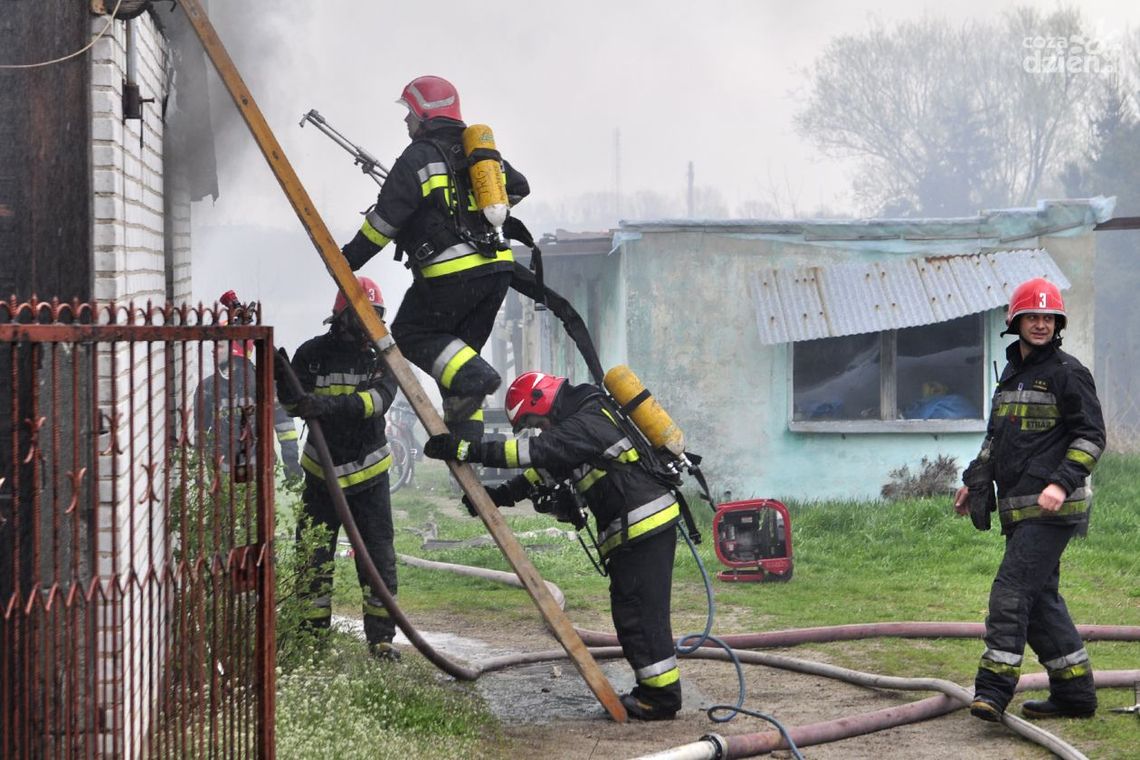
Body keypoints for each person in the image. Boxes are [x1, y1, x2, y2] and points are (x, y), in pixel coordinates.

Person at [422, 371, 684, 720]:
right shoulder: (579, 420)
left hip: (643, 526)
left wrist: (467, 449)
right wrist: (499, 495)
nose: (540, 429)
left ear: (540, 399)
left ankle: (660, 698)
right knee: (633, 613)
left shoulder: (586, 418)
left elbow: (538, 451)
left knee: (640, 614)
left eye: (535, 420)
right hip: (635, 528)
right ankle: (655, 692)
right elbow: (546, 468)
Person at [339, 74, 529, 442]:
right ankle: (467, 452)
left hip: (452, 276)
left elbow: (384, 222)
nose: (405, 120)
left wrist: (347, 259)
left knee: (412, 334)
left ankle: (481, 379)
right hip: (497, 273)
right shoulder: (479, 155)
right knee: (455, 366)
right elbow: (519, 187)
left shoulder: (418, 157)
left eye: (409, 112)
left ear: (424, 113)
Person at [954, 277, 1105, 722]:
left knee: (1011, 592)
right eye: (1032, 316)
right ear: (1014, 321)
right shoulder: (1012, 373)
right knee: (1040, 601)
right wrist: (974, 480)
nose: (1040, 324)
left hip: (1053, 509)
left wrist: (1060, 483)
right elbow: (996, 439)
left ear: (1057, 323)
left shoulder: (1068, 372)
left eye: (1048, 317)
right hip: (1020, 508)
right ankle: (1075, 694)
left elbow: (1092, 436)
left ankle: (993, 690)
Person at [276, 276, 401, 660]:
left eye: (375, 315)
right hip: (321, 476)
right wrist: (291, 392)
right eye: (363, 314)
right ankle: (311, 639)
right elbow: (292, 402)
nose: (370, 322)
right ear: (343, 316)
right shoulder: (312, 354)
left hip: (369, 477)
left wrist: (326, 407)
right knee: (313, 559)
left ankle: (381, 640)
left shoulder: (382, 356)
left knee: (377, 561)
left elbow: (377, 402)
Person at [196, 316, 302, 485]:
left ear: (235, 350)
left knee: (251, 511)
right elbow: (200, 431)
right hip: (220, 470)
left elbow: (284, 427)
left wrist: (291, 462)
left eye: (220, 345)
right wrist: (198, 468)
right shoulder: (207, 388)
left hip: (256, 470)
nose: (213, 350)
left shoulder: (263, 385)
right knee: (224, 511)